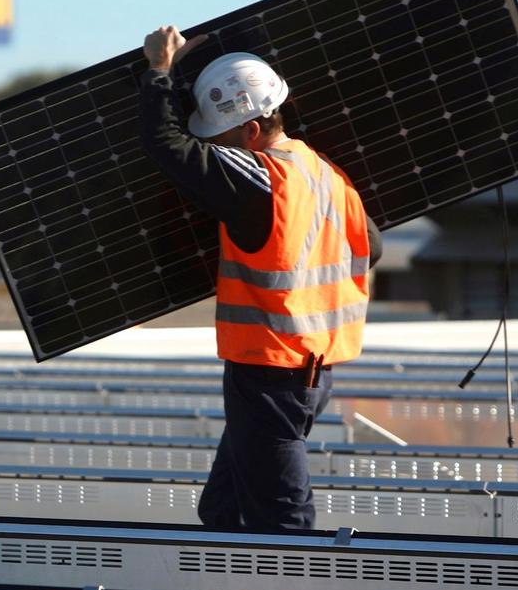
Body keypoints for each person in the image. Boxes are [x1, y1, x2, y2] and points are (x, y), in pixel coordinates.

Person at [139, 27, 381, 531]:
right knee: (222, 509)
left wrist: (159, 70)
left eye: (223, 137)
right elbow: (371, 248)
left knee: (282, 521)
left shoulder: (259, 175)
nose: (219, 149)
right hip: (314, 369)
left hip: (271, 370)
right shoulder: (328, 176)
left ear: (251, 130)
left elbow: (165, 145)